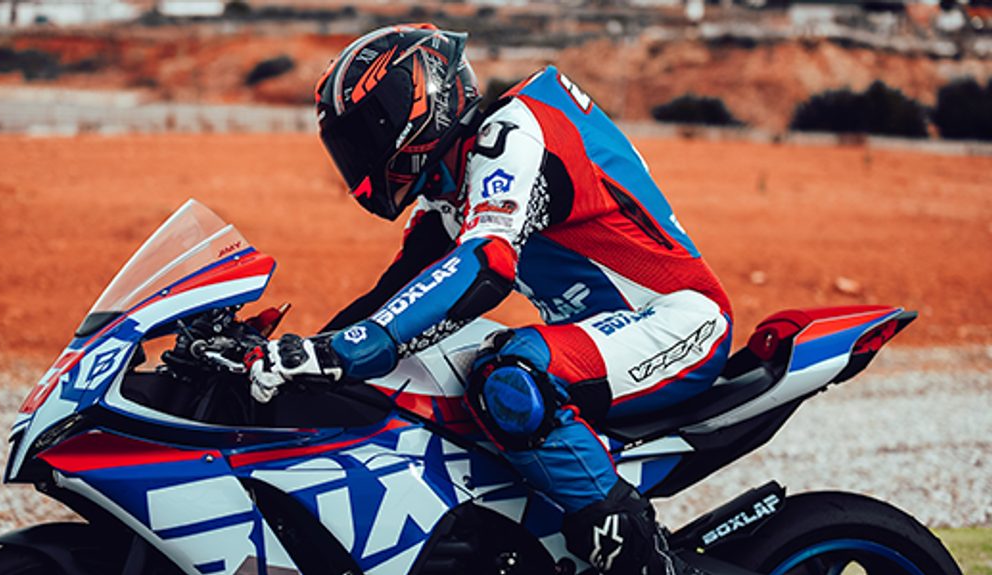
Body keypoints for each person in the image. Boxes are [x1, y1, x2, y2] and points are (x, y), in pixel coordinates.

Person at [246, 24, 732, 575]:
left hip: (678, 320)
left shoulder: (515, 133)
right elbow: (393, 294)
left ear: (419, 105)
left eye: (365, 136)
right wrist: (304, 357)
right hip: (598, 340)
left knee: (508, 379)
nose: (357, 159)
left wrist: (349, 349)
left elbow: (486, 265)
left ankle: (646, 560)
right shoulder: (450, 189)